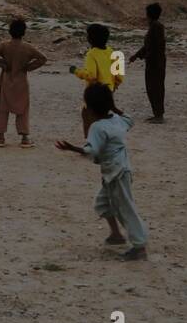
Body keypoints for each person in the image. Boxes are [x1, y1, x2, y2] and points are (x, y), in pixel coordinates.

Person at [55, 82, 148, 261]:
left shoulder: (97, 127)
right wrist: (115, 108)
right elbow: (130, 119)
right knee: (103, 203)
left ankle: (139, 246)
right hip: (118, 172)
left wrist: (73, 148)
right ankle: (116, 235)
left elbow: (92, 151)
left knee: (126, 209)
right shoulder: (116, 119)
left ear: (89, 108)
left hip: (116, 174)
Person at [0, 18, 48, 148]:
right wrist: (28, 67)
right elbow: (43, 58)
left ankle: (1, 138)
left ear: (10, 31)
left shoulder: (4, 45)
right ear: (23, 32)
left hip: (6, 80)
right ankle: (24, 138)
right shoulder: (28, 48)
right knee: (23, 109)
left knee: (3, 109)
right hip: (21, 81)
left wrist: (3, 65)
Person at [70, 23, 123, 139]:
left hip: (94, 93)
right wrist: (114, 85)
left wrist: (76, 71)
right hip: (108, 91)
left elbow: (91, 75)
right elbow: (119, 75)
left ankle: (91, 144)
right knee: (102, 117)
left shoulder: (92, 54)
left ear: (91, 39)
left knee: (87, 116)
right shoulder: (112, 52)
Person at [127, 2, 167, 123]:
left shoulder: (156, 27)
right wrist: (136, 56)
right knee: (153, 88)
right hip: (154, 62)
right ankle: (157, 114)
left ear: (149, 14)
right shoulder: (155, 26)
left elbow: (154, 47)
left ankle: (159, 116)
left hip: (155, 63)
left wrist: (144, 56)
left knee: (155, 88)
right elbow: (148, 46)